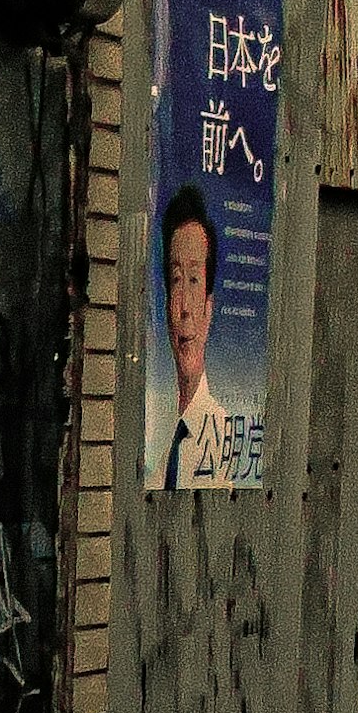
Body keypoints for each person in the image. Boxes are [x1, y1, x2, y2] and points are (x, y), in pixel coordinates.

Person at [156, 188, 232, 488]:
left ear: (209, 308)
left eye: (194, 280)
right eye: (176, 281)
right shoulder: (161, 442)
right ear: (165, 305)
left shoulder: (222, 434)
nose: (184, 307)